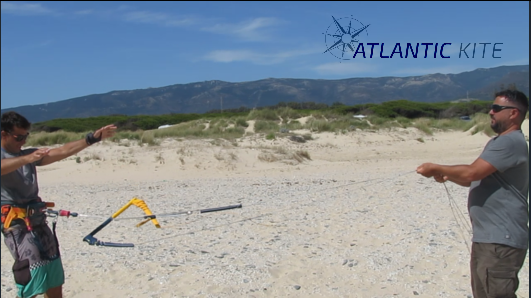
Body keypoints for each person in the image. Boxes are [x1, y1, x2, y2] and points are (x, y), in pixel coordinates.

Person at [416, 89, 529, 298]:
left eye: (496, 108)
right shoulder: (500, 142)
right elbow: (475, 178)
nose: (490, 112)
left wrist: (435, 167)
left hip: (500, 240)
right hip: (489, 239)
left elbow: (472, 171)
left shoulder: (509, 142)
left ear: (513, 113)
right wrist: (446, 174)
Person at [1, 111, 117, 298]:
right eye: (18, 137)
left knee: (54, 275)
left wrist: (91, 139)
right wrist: (27, 158)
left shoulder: (27, 154)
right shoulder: (17, 157)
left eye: (25, 136)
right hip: (17, 226)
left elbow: (62, 150)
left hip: (38, 221)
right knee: (31, 278)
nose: (23, 141)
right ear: (3, 134)